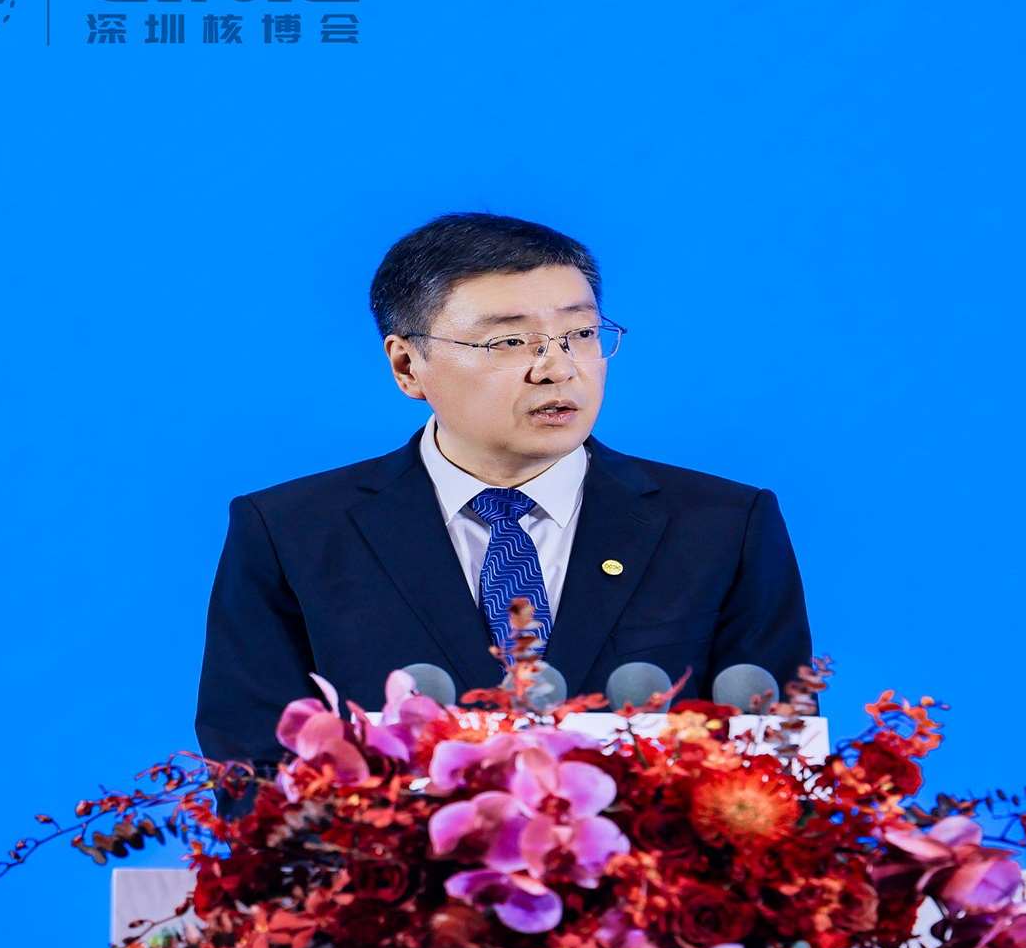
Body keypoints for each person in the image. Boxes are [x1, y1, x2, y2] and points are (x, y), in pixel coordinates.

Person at [195, 213, 812, 767]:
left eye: (581, 334)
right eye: (509, 342)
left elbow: (779, 769)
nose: (557, 368)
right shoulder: (290, 533)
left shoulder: (723, 525)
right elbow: (254, 766)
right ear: (407, 366)